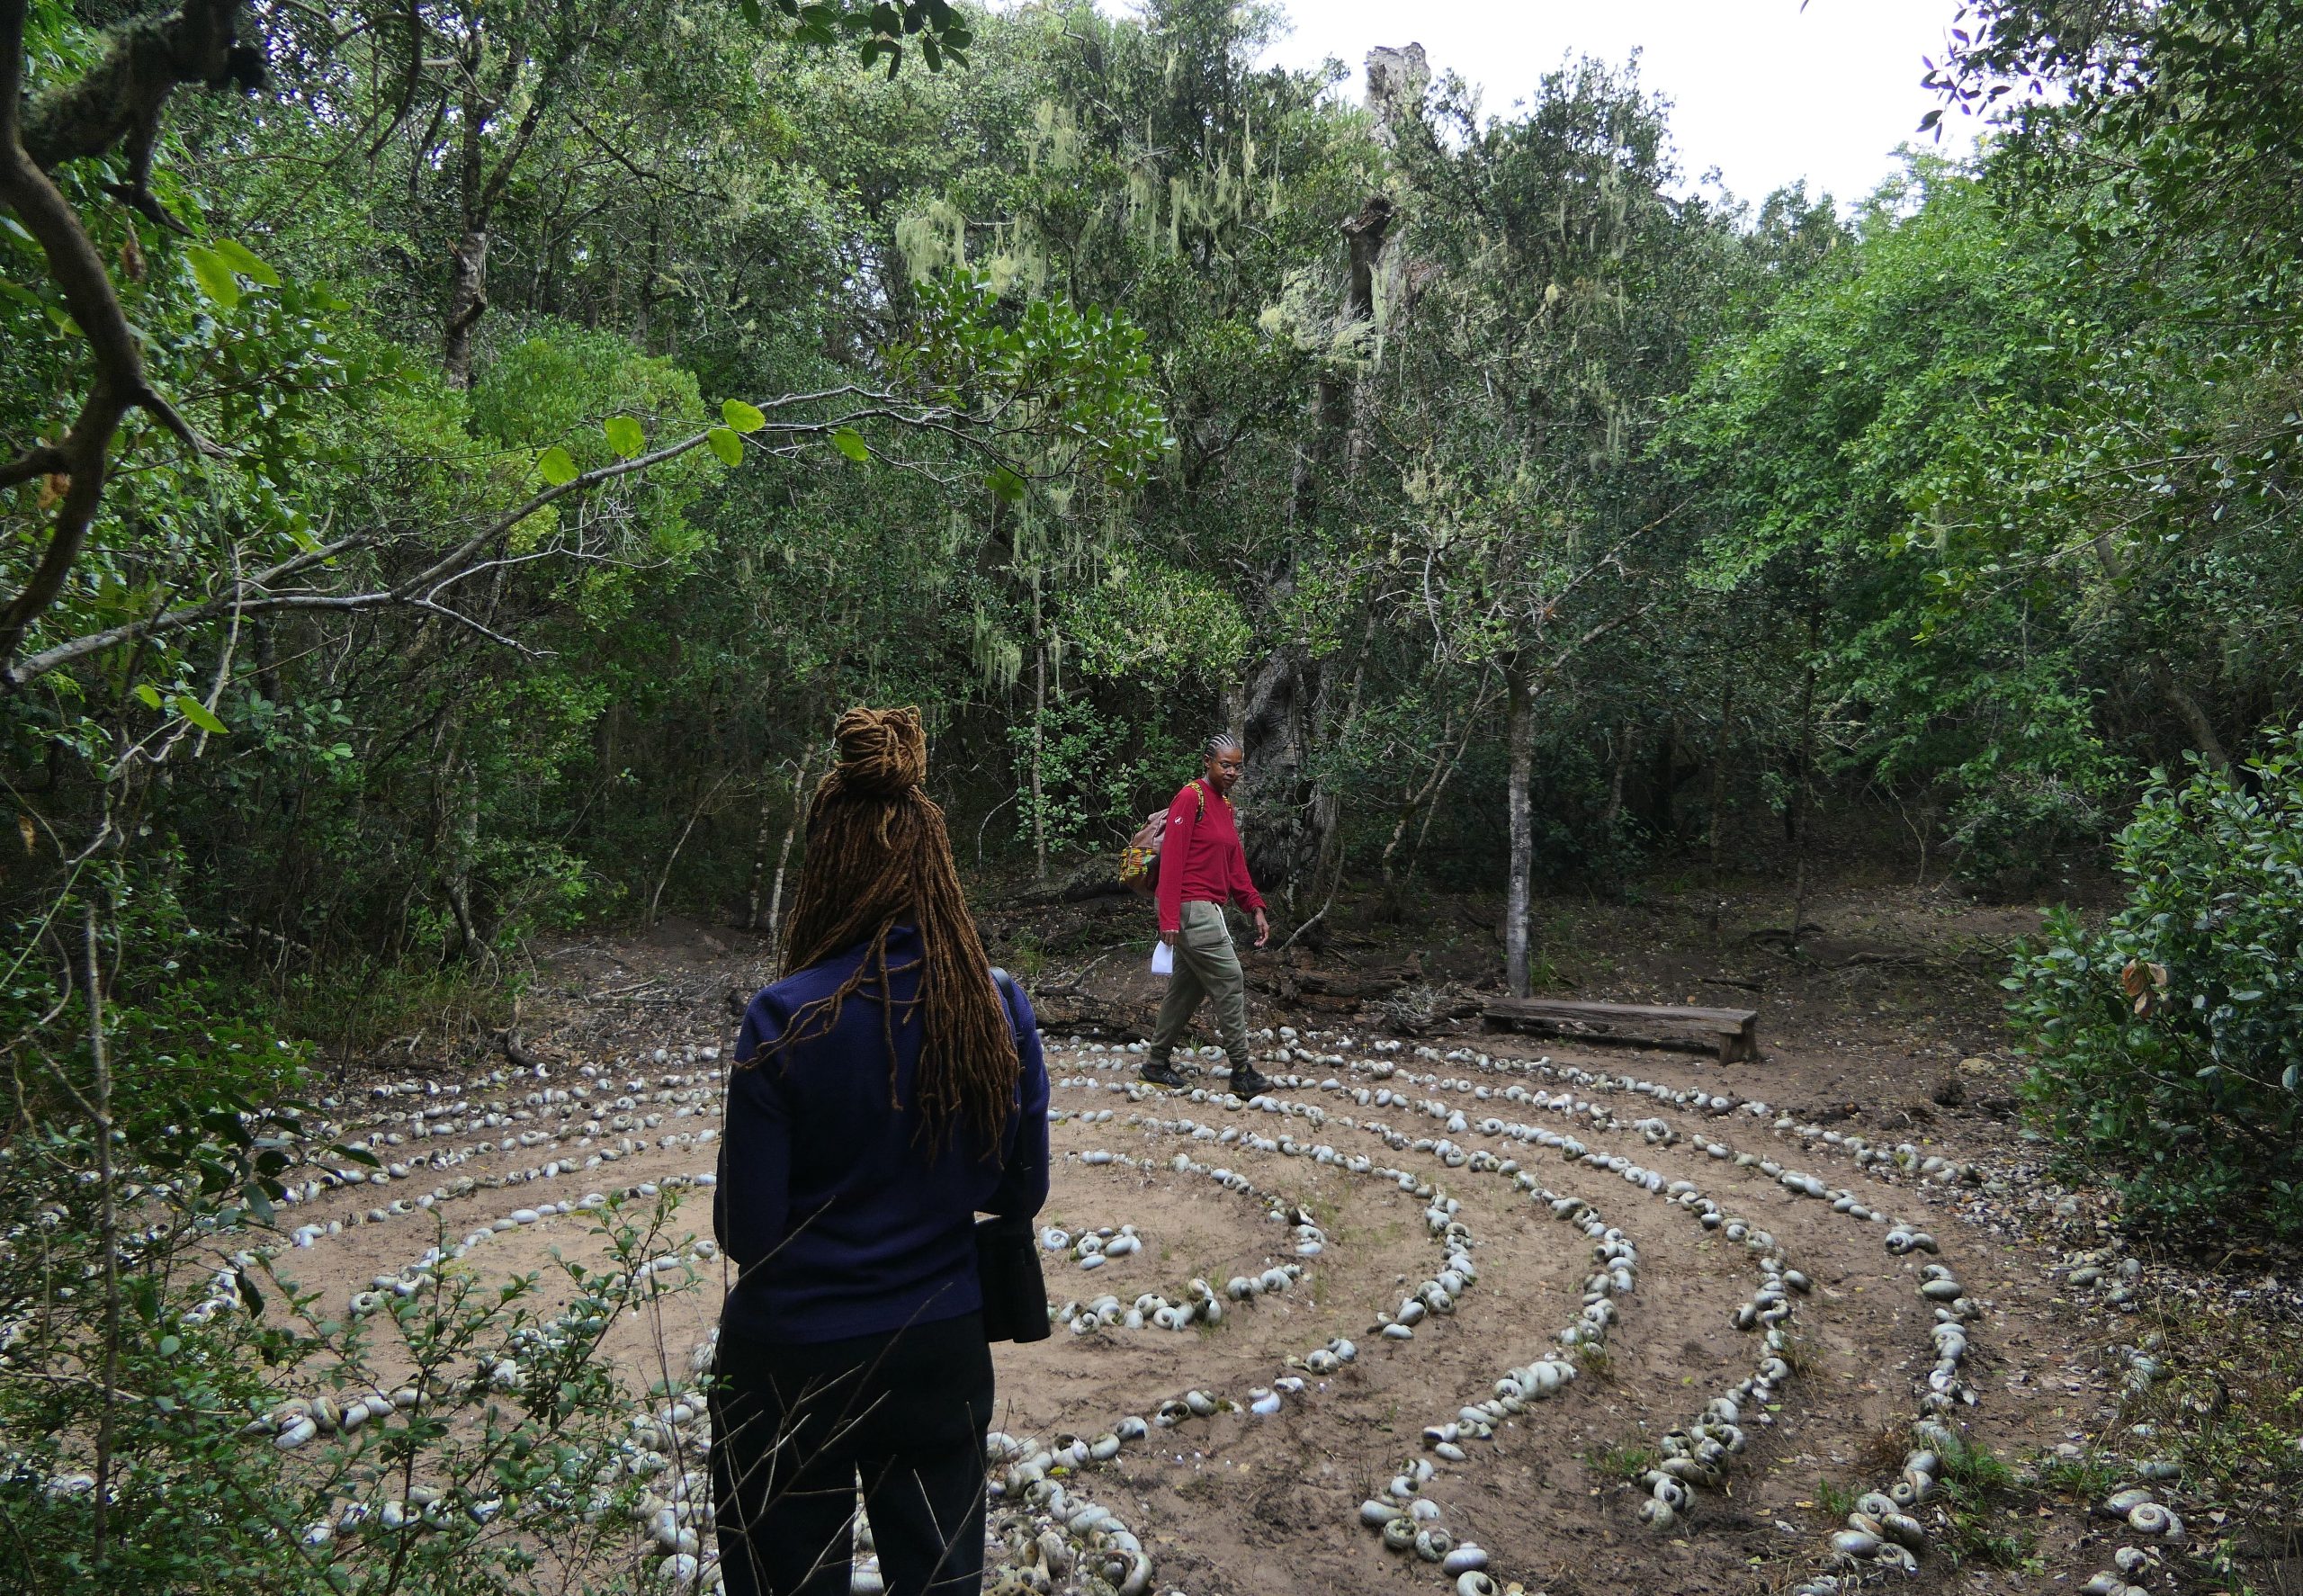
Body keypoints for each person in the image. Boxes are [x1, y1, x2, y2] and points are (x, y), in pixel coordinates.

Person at [711, 706, 1050, 1596]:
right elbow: (1019, 1192)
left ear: (827, 866)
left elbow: (749, 1234)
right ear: (935, 862)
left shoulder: (783, 1017)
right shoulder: (996, 1006)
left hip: (791, 1361)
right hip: (941, 1346)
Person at [1141, 731, 1272, 1098]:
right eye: (1224, 765)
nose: (1231, 773)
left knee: (1187, 989)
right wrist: (1168, 918)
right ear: (1207, 762)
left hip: (1205, 907)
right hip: (1190, 907)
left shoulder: (1225, 806)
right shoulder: (1190, 797)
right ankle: (1241, 1071)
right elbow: (1172, 860)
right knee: (1230, 977)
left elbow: (1234, 864)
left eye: (1237, 767)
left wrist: (1254, 905)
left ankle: (1155, 1064)